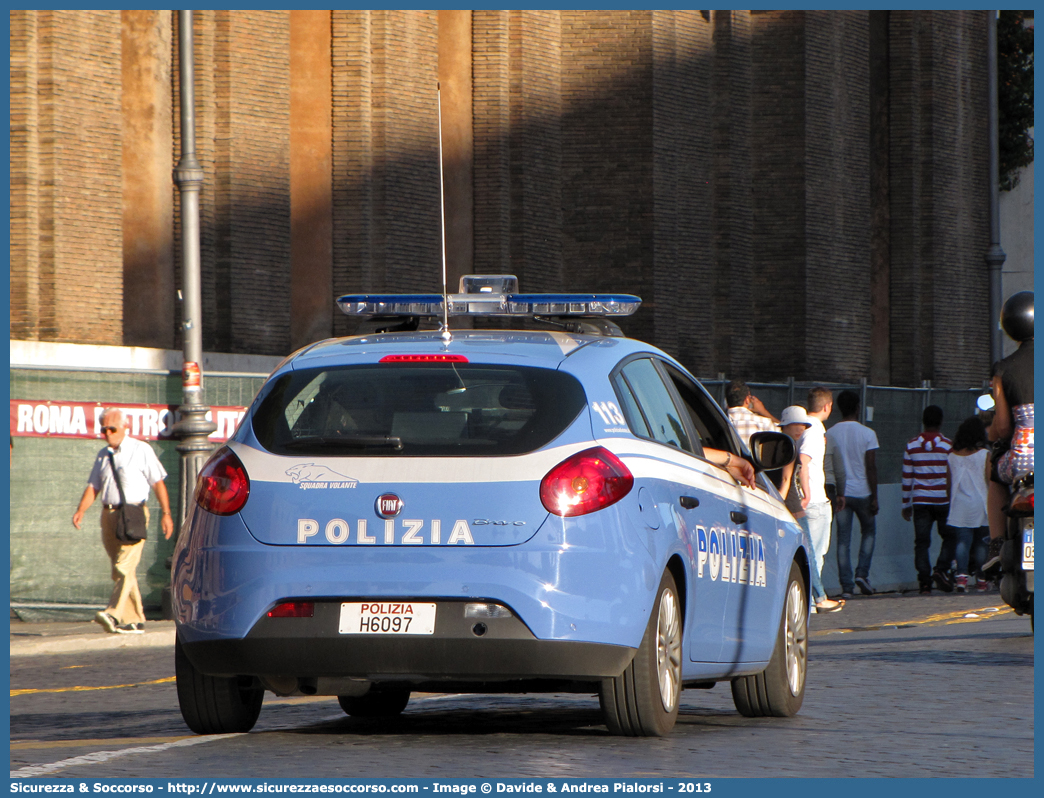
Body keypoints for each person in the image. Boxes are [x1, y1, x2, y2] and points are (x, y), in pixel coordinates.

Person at [71, 408, 174, 634]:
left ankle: (112, 613)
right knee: (121, 570)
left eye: (112, 429)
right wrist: (81, 510)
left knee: (124, 566)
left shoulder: (140, 449)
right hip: (108, 514)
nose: (108, 433)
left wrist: (166, 513)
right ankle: (135, 620)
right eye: (104, 429)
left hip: (134, 514)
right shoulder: (102, 454)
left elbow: (157, 483)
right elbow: (94, 486)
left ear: (125, 428)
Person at [983, 291, 1034, 573]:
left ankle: (996, 543)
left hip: (1022, 461)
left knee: (994, 474)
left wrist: (992, 436)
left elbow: (1002, 427)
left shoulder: (1002, 369)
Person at [778, 405, 843, 612]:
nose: (801, 429)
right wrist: (779, 501)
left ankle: (813, 597)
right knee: (809, 552)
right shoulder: (789, 446)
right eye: (796, 425)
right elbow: (787, 479)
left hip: (792, 501)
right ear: (786, 426)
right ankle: (819, 598)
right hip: (792, 504)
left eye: (803, 426)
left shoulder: (785, 443)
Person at [827, 389, 880, 597]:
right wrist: (875, 496)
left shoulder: (830, 433)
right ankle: (862, 573)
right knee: (868, 532)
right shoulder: (868, 434)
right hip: (863, 491)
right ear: (858, 408)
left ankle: (846, 587)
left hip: (840, 492)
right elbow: (871, 467)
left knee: (843, 540)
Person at [901, 405, 954, 594]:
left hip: (920, 500)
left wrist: (906, 504)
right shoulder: (948, 446)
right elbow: (952, 476)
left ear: (923, 422)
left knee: (922, 542)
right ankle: (941, 569)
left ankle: (924, 582)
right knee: (950, 537)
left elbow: (907, 477)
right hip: (943, 500)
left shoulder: (911, 445)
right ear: (940, 422)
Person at [946, 416, 991, 592]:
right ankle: (981, 578)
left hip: (959, 502)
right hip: (981, 501)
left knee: (962, 541)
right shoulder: (984, 454)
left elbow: (948, 484)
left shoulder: (952, 456)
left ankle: (961, 578)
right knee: (981, 542)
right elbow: (989, 480)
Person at [725, 379, 779, 449]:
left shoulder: (719, 421)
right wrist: (763, 411)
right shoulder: (763, 422)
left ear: (726, 401)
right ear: (747, 400)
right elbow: (787, 431)